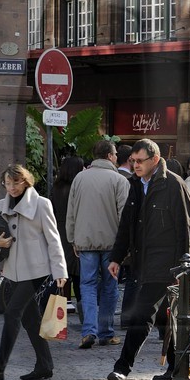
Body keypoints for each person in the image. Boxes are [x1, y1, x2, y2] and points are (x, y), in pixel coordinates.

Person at [106, 141, 190, 380]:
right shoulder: (134, 185)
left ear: (154, 159)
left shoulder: (173, 184)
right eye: (133, 161)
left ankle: (122, 367)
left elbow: (186, 226)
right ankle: (178, 368)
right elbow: (126, 224)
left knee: (142, 314)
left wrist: (183, 263)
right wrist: (116, 257)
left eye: (140, 161)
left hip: (166, 263)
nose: (134, 165)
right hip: (142, 262)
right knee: (165, 319)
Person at [0, 164, 68, 380]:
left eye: (16, 182)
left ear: (26, 181)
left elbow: (53, 239)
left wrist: (60, 270)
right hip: (12, 270)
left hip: (36, 269)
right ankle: (44, 365)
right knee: (31, 319)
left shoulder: (41, 205)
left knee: (12, 313)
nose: (11, 187)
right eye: (7, 183)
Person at [66, 139, 130, 350]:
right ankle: (106, 332)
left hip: (85, 242)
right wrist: (126, 244)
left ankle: (88, 331)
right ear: (111, 156)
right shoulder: (120, 181)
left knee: (88, 286)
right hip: (112, 244)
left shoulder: (80, 178)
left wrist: (72, 237)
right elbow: (124, 216)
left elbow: (72, 211)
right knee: (110, 287)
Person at [49, 154, 83, 311]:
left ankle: (65, 300)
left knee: (64, 265)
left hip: (58, 229)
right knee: (79, 267)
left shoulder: (55, 188)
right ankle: (81, 301)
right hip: (75, 228)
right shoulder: (77, 188)